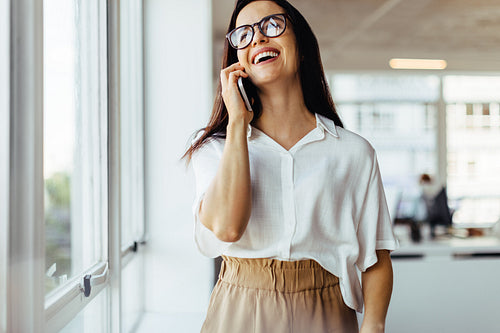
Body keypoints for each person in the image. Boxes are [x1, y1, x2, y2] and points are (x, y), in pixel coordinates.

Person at [184, 0, 398, 332]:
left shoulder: (354, 153)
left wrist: (373, 327)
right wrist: (238, 123)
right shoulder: (215, 149)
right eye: (244, 34)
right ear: (236, 62)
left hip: (327, 311)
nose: (257, 38)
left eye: (272, 25)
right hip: (240, 308)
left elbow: (376, 260)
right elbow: (227, 229)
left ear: (301, 47)